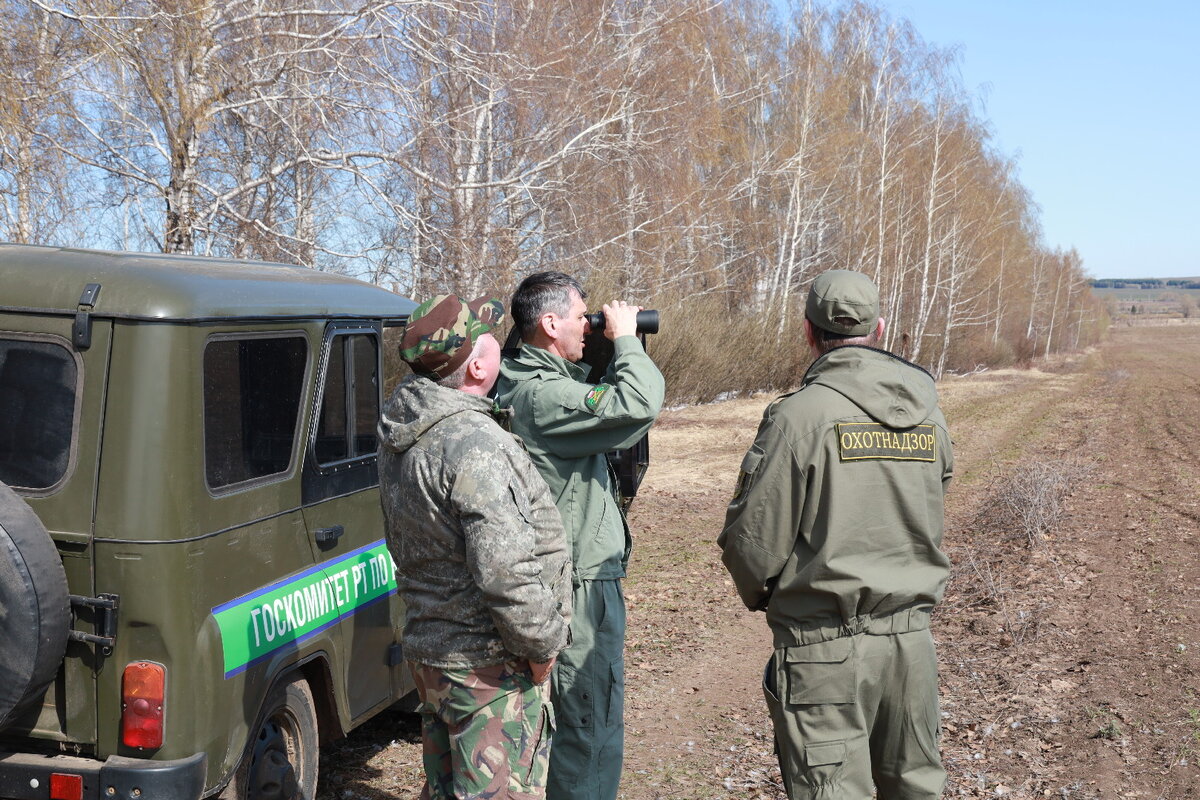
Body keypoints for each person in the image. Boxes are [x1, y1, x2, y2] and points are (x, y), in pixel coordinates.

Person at [718, 269, 954, 800]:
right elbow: (933, 505)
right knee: (915, 787)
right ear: (881, 328)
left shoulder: (800, 416)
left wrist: (773, 598)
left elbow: (753, 541)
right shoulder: (930, 416)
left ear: (808, 332)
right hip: (912, 646)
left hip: (823, 648)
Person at [379, 293, 572, 800]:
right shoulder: (474, 444)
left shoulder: (406, 430)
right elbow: (505, 570)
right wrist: (541, 645)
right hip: (487, 668)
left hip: (434, 655)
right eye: (490, 338)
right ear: (478, 367)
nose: (500, 344)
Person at [493, 272, 664, 800]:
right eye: (578, 318)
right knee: (589, 725)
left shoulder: (512, 378)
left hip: (545, 578)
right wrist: (629, 341)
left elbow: (587, 390)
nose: (587, 329)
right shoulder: (543, 396)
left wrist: (602, 345)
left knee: (549, 728)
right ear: (548, 323)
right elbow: (635, 406)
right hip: (579, 588)